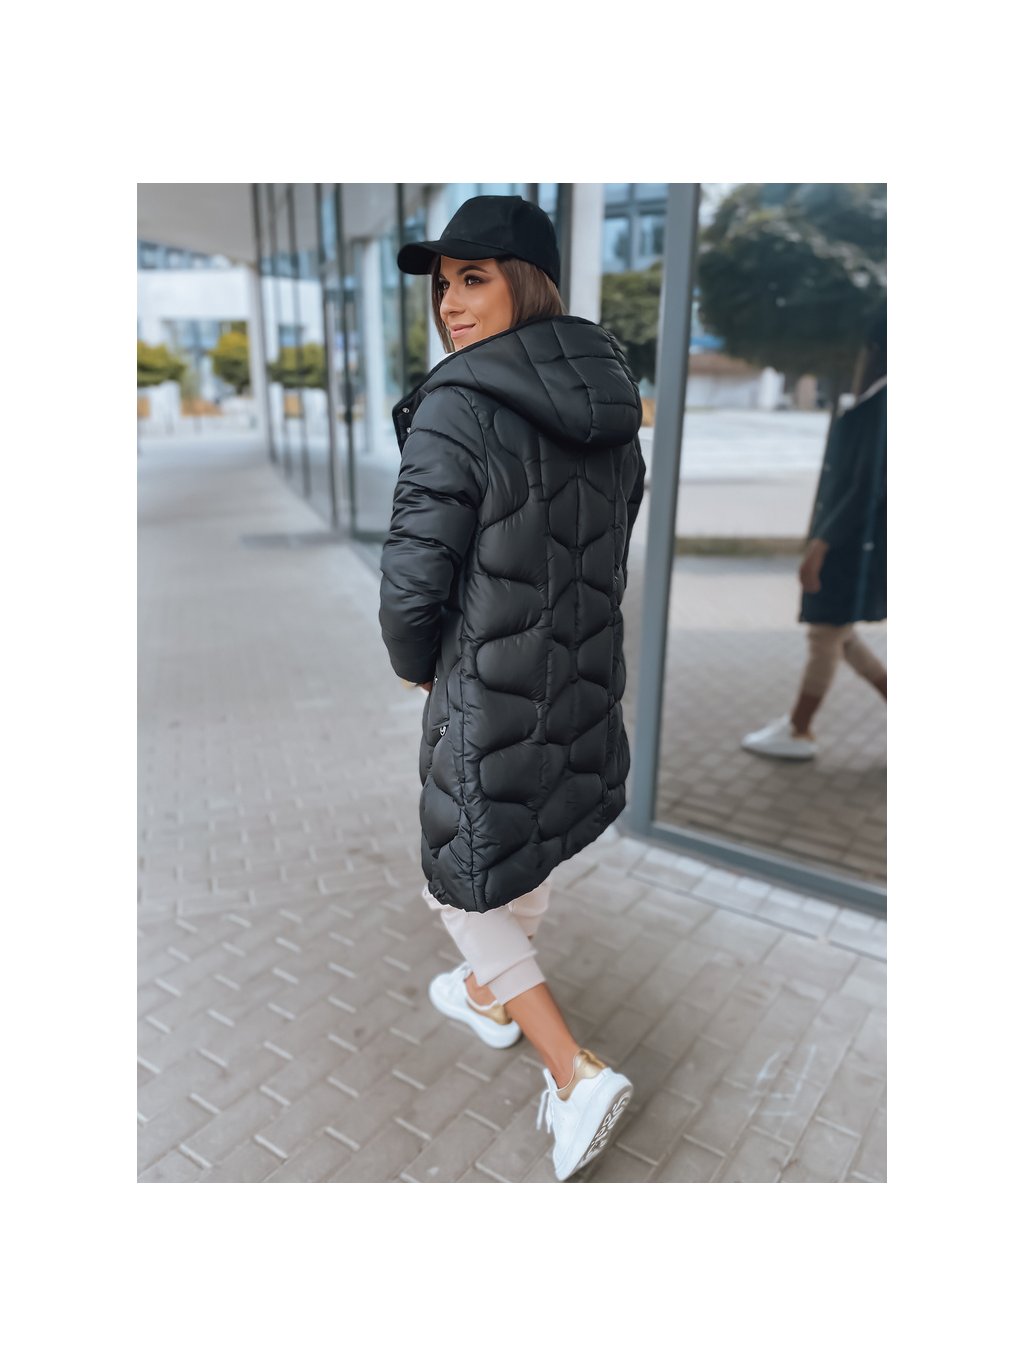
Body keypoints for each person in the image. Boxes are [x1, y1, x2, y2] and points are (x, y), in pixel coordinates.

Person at [378, 194, 646, 1180]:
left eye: (473, 278)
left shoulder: (459, 402)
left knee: (457, 875)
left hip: (489, 677)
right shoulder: (609, 397)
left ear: (527, 284)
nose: (450, 303)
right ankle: (486, 994)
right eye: (444, 285)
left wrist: (417, 662)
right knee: (519, 844)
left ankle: (573, 1072)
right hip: (576, 672)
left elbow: (413, 580)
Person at [742, 307, 887, 759]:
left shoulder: (884, 404)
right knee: (840, 634)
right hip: (855, 541)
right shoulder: (880, 400)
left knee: (826, 636)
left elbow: (867, 487)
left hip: (852, 544)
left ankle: (800, 729)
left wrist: (822, 544)